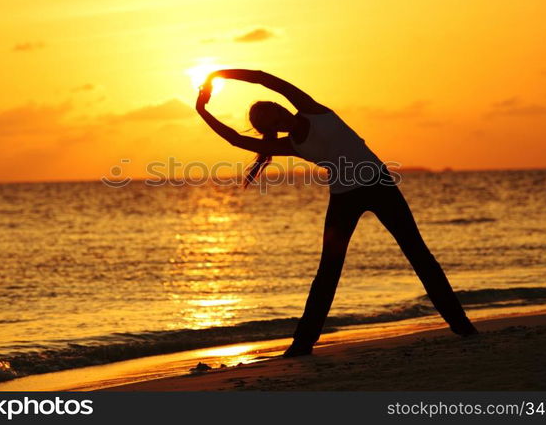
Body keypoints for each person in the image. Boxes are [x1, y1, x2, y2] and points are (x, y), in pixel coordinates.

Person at [196, 69, 478, 357]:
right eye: (276, 123)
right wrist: (201, 110)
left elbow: (265, 79)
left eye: (279, 113)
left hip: (379, 185)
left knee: (418, 254)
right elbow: (236, 139)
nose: (283, 120)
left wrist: (219, 74)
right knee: (328, 271)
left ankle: (462, 325)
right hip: (344, 198)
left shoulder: (313, 110)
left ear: (282, 107)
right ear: (275, 128)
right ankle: (302, 344)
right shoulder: (290, 144)